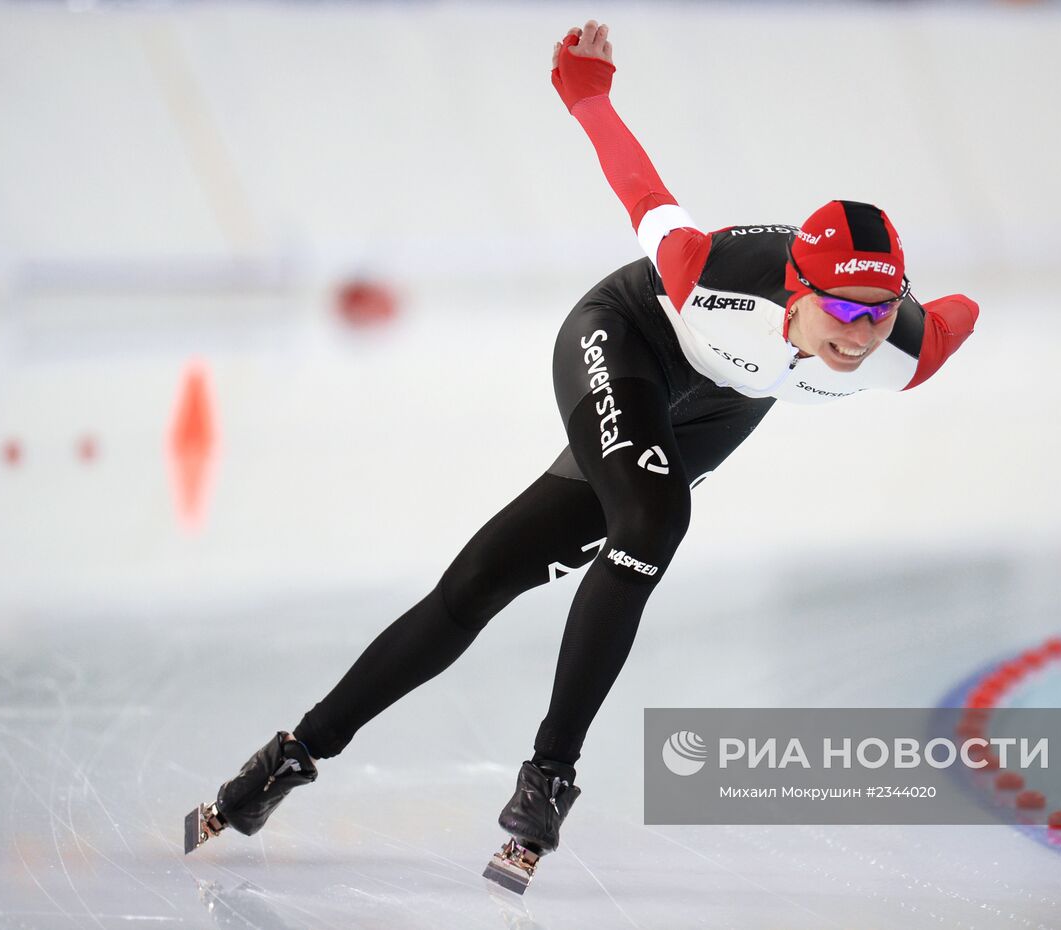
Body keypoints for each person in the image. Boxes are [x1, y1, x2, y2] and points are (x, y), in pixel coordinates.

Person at [185, 19, 979, 892]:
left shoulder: (907, 352)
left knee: (497, 575)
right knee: (644, 519)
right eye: (844, 313)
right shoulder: (703, 270)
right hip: (628, 336)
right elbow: (641, 188)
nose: (863, 337)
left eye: (879, 313)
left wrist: (920, 307)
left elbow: (958, 312)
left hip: (725, 404)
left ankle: (286, 761)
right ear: (796, 290)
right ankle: (544, 780)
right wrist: (588, 95)